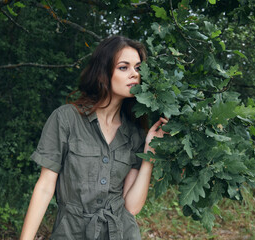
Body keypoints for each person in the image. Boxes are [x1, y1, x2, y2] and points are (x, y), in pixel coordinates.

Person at [20, 35, 168, 240]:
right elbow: (45, 187)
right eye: (124, 67)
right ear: (103, 72)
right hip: (70, 233)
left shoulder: (134, 132)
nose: (134, 74)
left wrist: (149, 154)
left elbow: (131, 207)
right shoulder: (66, 119)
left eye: (138, 68)